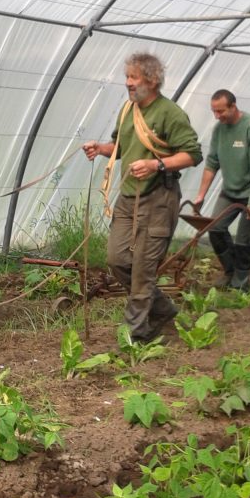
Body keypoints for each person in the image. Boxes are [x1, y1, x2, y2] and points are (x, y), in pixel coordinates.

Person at [82, 52, 202, 343]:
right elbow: (121, 147)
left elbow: (193, 154)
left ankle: (135, 336)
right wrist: (101, 148)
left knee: (143, 270)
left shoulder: (169, 113)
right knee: (117, 259)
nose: (128, 83)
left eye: (133, 78)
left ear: (152, 80)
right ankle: (162, 310)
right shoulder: (128, 111)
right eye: (127, 78)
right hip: (128, 197)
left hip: (159, 198)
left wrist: (156, 164)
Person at [192, 89, 250, 292]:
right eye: (214, 112)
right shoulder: (220, 130)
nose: (217, 116)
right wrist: (201, 195)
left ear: (233, 107)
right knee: (215, 229)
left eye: (220, 111)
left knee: (245, 239)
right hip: (230, 191)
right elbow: (212, 163)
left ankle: (241, 283)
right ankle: (231, 271)